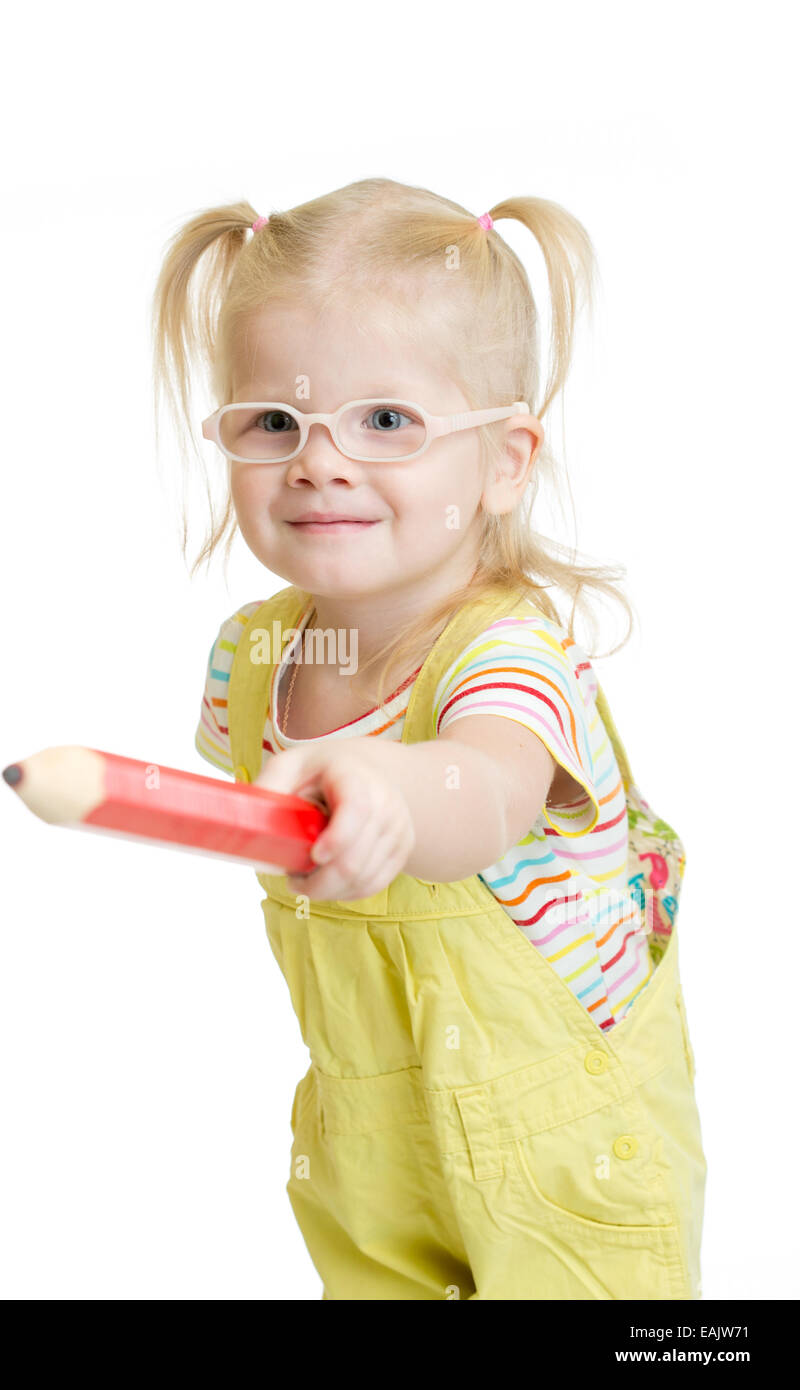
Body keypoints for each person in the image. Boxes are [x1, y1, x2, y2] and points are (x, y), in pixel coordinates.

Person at [152, 178, 706, 1300]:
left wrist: (394, 789)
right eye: (273, 423)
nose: (318, 462)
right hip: (369, 1145)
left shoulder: (505, 653)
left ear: (503, 460)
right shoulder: (249, 663)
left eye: (385, 421)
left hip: (560, 1149)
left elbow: (488, 782)